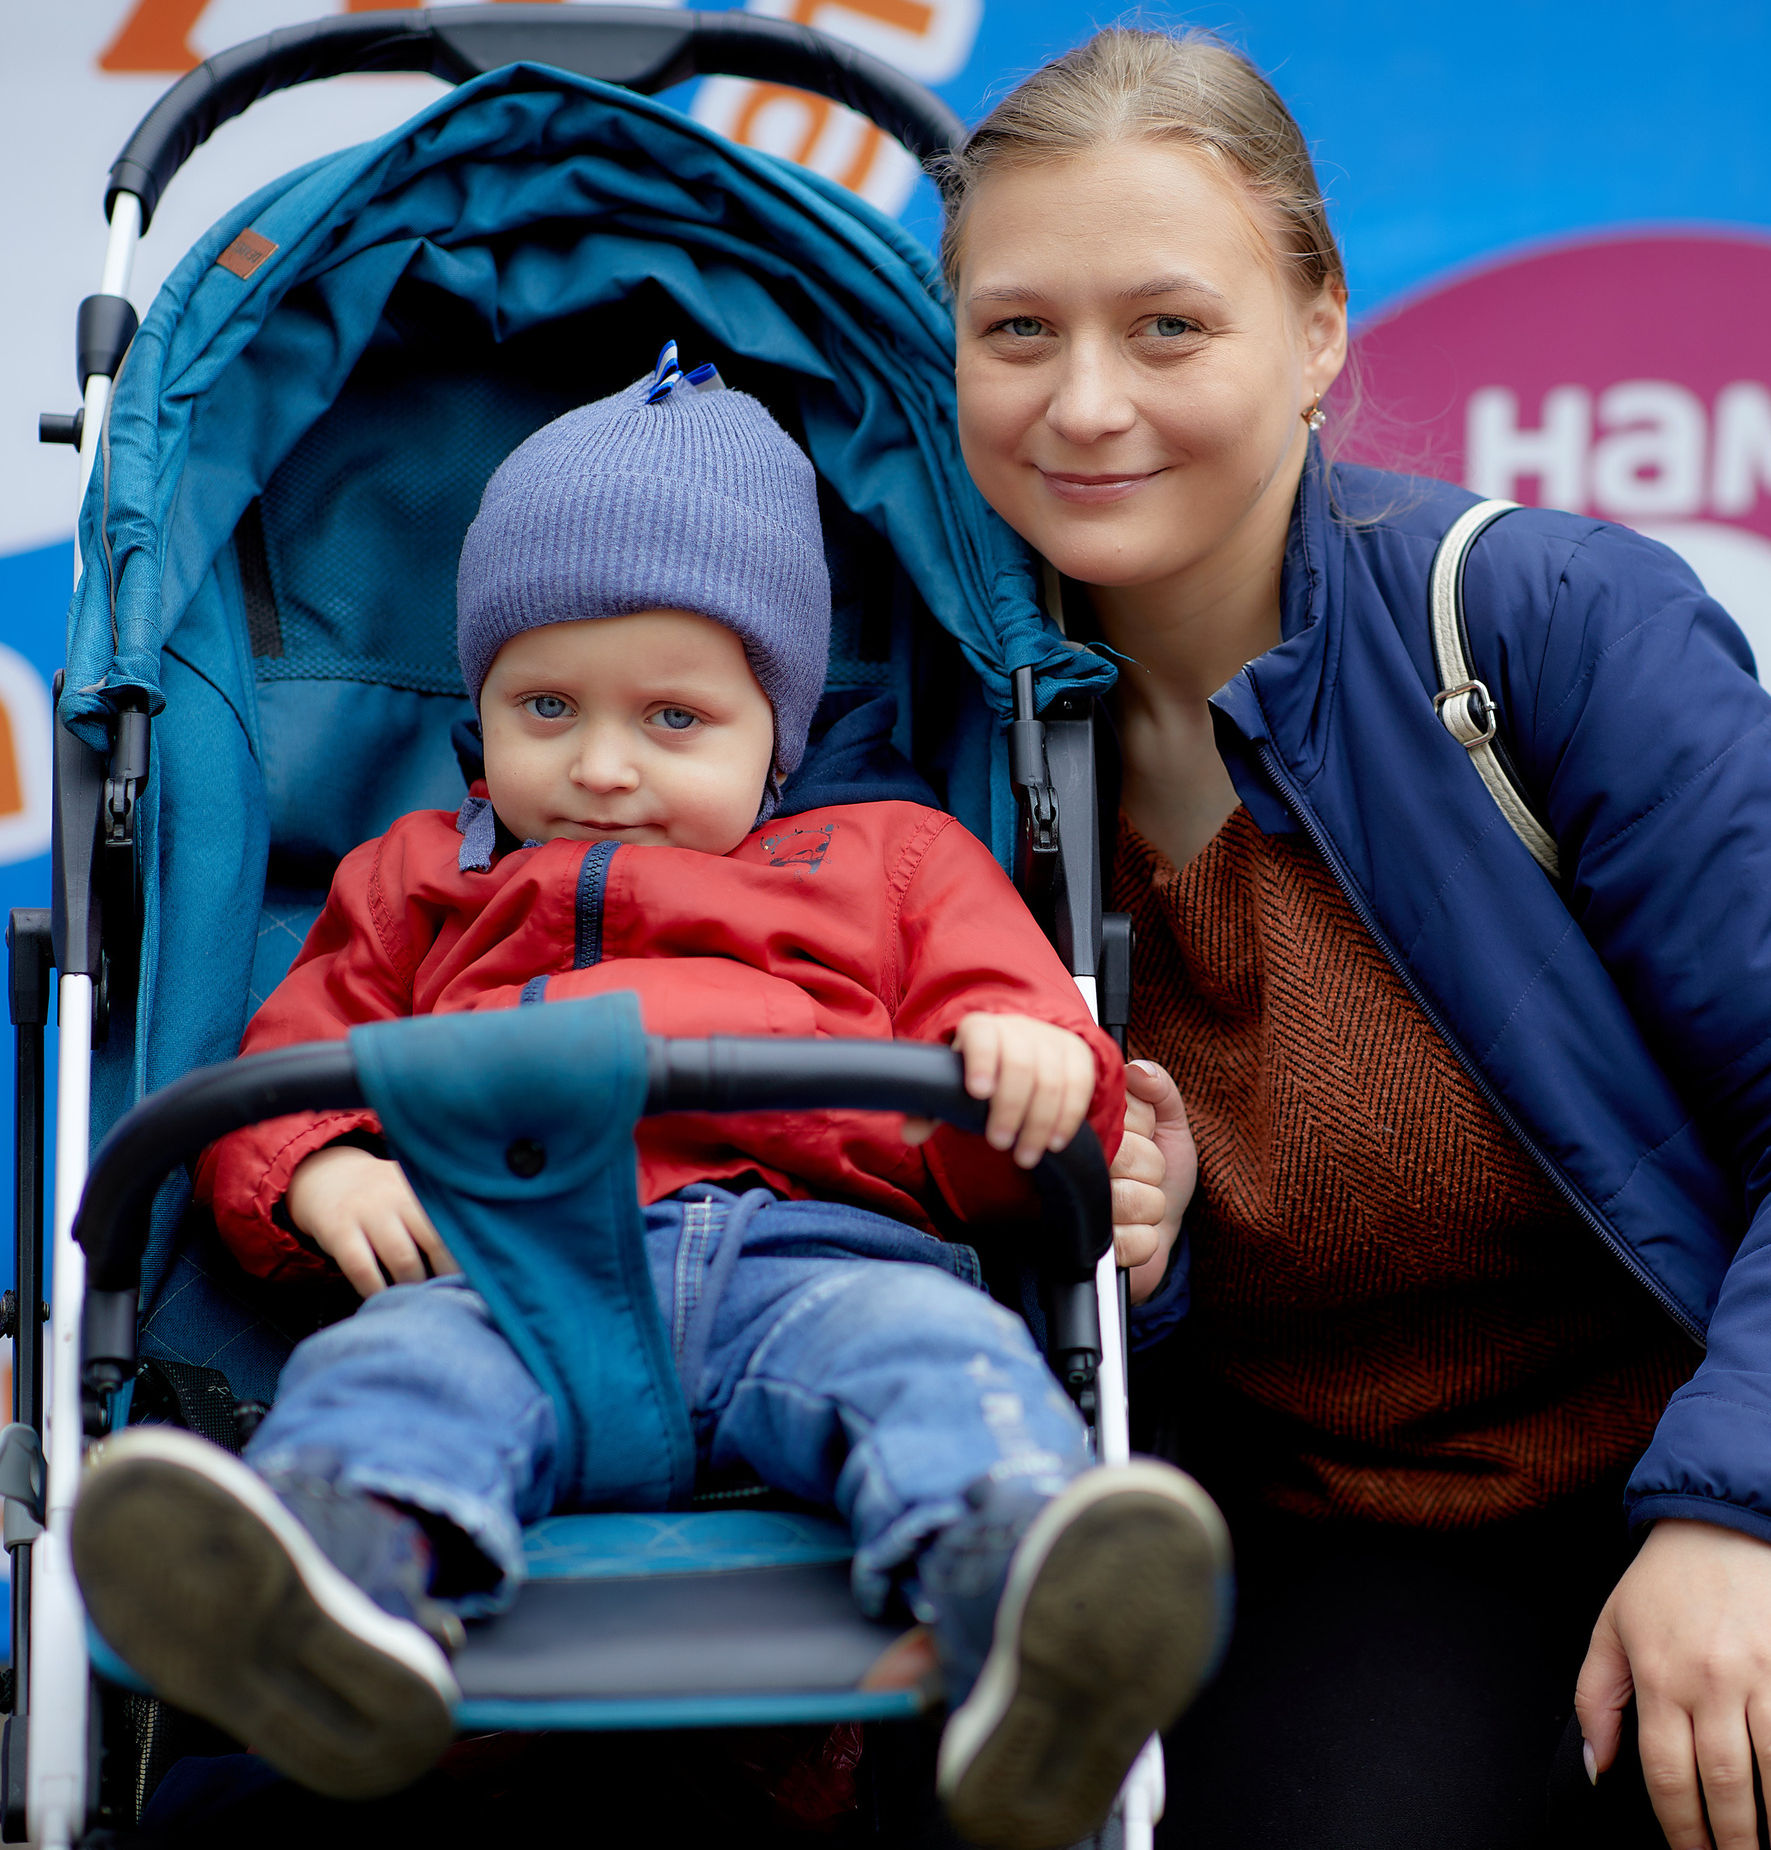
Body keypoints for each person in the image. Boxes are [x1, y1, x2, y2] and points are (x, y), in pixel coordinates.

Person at [948, 28, 1771, 1850]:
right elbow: (1021, 1287)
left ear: (1318, 334)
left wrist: (1738, 1512)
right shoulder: (949, 743)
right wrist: (1129, 1250)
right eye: (1020, 330)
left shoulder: (1545, 624)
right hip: (1368, 1523)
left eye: (1167, 326)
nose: (1085, 402)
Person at [70, 346, 1230, 1850]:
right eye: (543, 705)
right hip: (503, 1271)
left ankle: (1023, 1605)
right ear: (477, 707)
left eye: (675, 719)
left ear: (778, 729)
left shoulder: (888, 859)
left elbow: (1022, 1062)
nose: (602, 766)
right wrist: (320, 1173)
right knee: (390, 1384)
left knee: (941, 1361)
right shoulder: (420, 878)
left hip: (816, 1259)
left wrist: (1027, 1066)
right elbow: (278, 1074)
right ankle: (336, 1605)